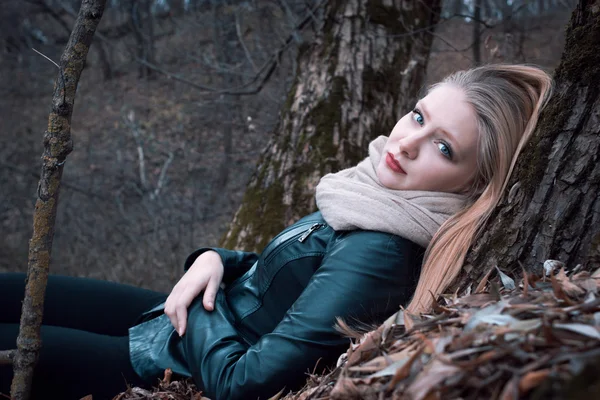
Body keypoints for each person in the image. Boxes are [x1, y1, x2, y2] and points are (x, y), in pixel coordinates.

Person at [0, 64, 553, 400]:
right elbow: (283, 275)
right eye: (417, 116)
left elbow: (245, 385)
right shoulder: (376, 197)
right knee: (12, 289)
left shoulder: (382, 249)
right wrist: (215, 258)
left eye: (443, 147)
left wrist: (198, 309)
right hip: (196, 321)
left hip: (174, 362)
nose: (406, 143)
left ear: (472, 182)